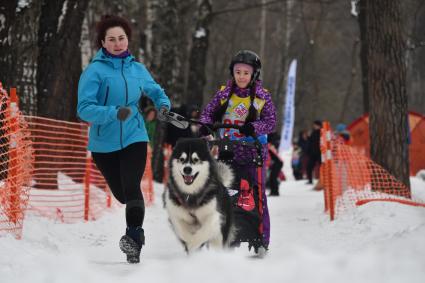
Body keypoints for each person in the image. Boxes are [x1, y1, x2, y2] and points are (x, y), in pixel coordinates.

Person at [77, 15, 171, 264]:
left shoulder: (137, 69)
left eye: (121, 38)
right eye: (112, 39)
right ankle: (134, 232)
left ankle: (133, 239)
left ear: (127, 40)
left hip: (134, 134)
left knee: (132, 186)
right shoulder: (94, 72)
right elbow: (84, 108)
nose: (118, 43)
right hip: (103, 143)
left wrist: (163, 106)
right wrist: (112, 113)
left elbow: (155, 91)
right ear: (103, 43)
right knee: (122, 194)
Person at [199, 50, 276, 251]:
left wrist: (254, 128)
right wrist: (205, 126)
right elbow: (208, 113)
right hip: (228, 151)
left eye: (245, 73)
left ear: (254, 75)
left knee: (255, 195)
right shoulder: (225, 94)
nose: (241, 76)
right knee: (226, 194)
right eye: (238, 72)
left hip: (253, 153)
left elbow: (271, 122)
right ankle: (227, 235)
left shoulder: (261, 97)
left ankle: (261, 238)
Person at [306, 120, 322, 185]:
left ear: (318, 125)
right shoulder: (313, 132)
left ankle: (322, 180)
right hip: (313, 153)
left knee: (322, 167)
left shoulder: (322, 132)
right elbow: (311, 142)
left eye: (315, 125)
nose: (314, 126)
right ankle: (310, 180)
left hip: (320, 153)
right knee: (309, 166)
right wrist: (308, 137)